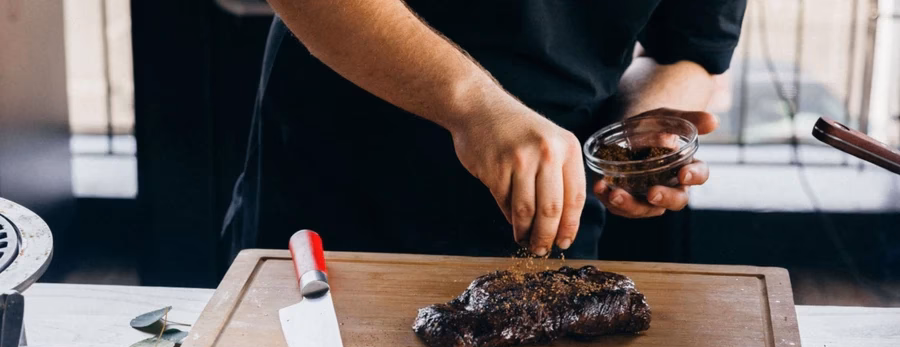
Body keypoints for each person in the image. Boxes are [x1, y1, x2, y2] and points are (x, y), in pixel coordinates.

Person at [223, 1, 747, 262]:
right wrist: (476, 108)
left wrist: (638, 134)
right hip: (341, 183)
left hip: (552, 206)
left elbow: (688, 51)